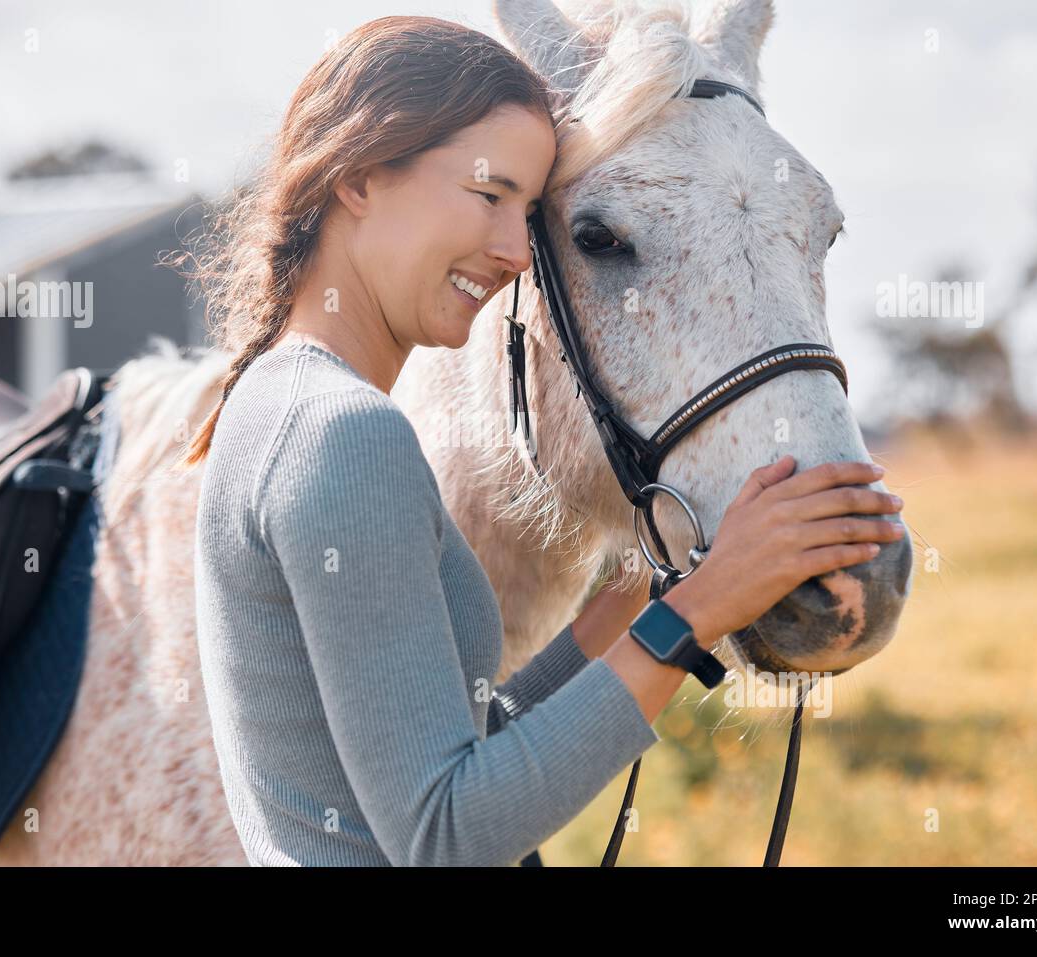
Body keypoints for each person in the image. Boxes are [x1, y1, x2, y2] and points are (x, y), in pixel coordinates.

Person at [180, 15, 905, 866]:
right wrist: (697, 612)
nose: (518, 251)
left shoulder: (275, 401)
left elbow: (451, 752)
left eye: (530, 211)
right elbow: (445, 834)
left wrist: (641, 605)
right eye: (490, 196)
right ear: (362, 177)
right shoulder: (350, 437)